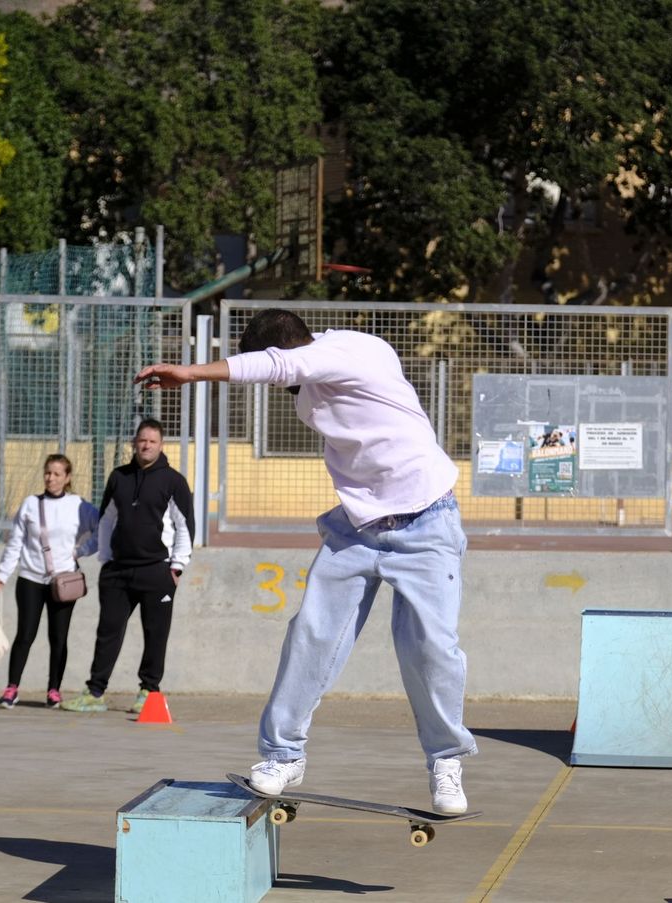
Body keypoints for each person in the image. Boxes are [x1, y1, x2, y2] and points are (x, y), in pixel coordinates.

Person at [135, 308, 475, 814]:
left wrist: (192, 372)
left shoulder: (355, 351)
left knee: (430, 647)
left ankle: (446, 760)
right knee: (312, 633)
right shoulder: (310, 394)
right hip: (357, 527)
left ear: (290, 352)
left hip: (427, 520)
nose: (281, 388)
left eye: (282, 374)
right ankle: (283, 755)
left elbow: (279, 366)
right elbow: (288, 372)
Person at [62, 419, 195, 714]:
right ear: (134, 443)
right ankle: (95, 692)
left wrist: (177, 567)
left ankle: (148, 691)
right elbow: (107, 521)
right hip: (118, 571)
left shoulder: (173, 481)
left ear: (161, 446)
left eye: (152, 441)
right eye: (141, 440)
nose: (146, 445)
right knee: (108, 631)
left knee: (155, 634)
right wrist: (105, 558)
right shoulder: (119, 477)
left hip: (157, 571)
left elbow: (185, 526)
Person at [0, 454, 99, 709]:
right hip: (30, 578)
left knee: (58, 637)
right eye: (48, 473)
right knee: (25, 635)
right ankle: (12, 687)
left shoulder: (79, 505)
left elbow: (102, 528)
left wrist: (80, 551)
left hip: (64, 581)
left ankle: (54, 690)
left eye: (57, 474)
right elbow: (16, 541)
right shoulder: (31, 504)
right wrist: (2, 575)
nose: (51, 478)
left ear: (68, 478)